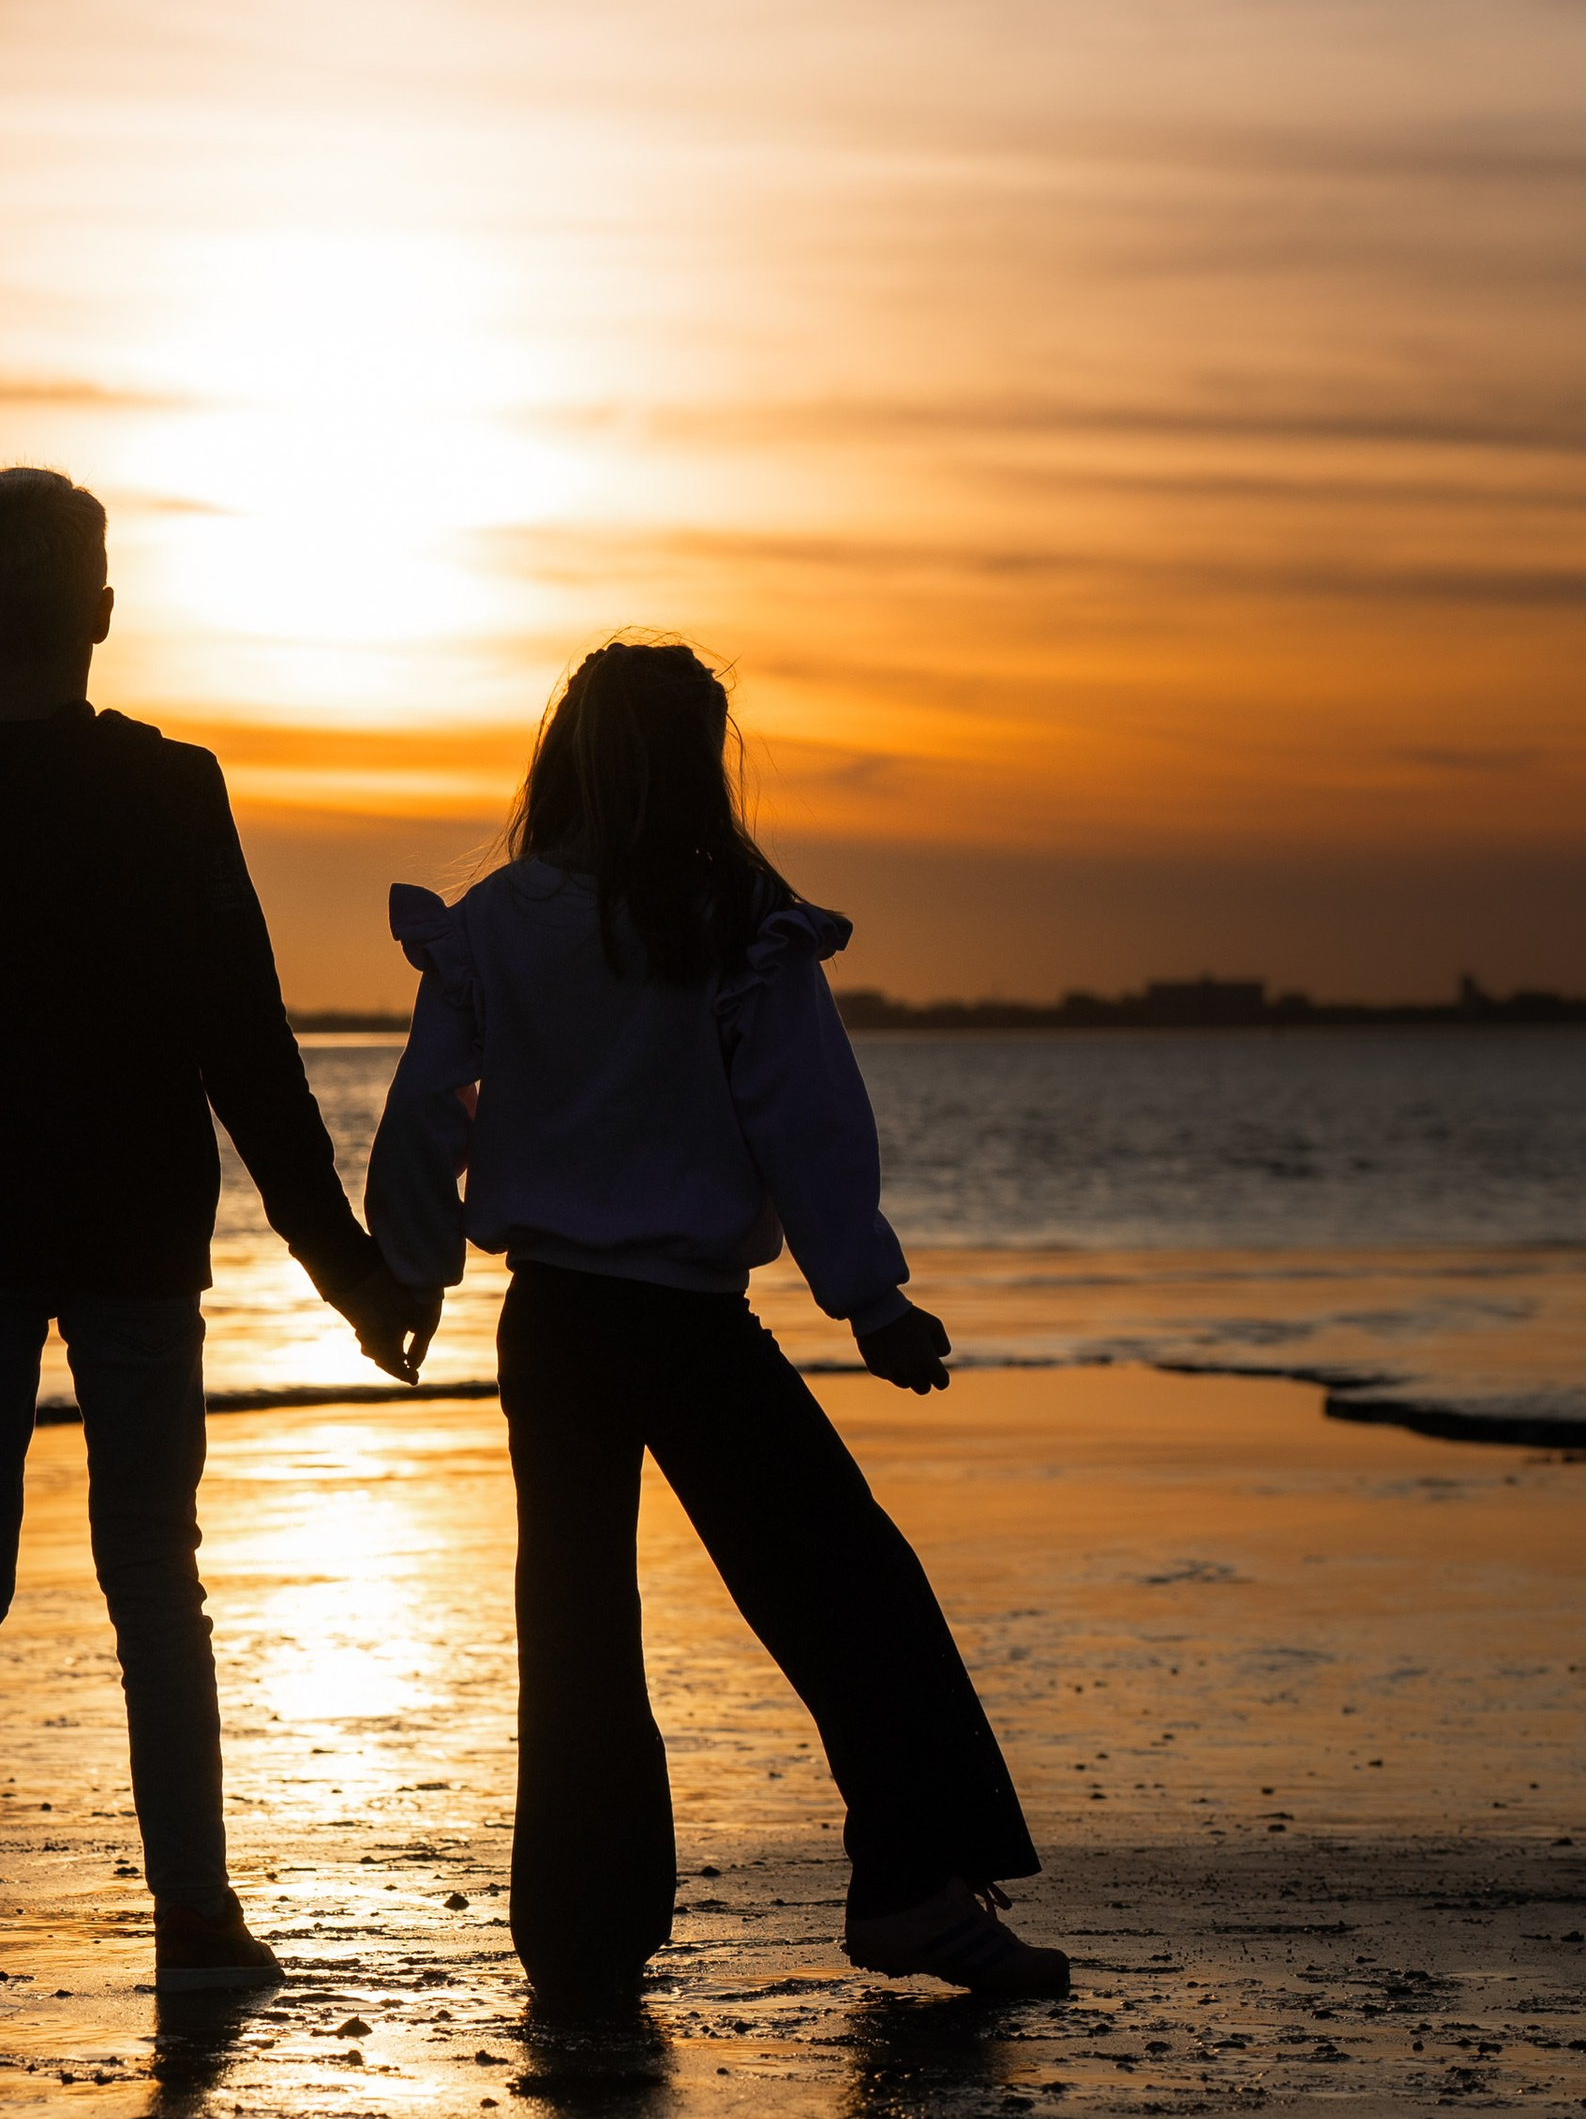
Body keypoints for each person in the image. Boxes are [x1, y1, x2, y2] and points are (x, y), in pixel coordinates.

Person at [364, 637, 1066, 2011]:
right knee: (844, 1588)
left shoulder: (505, 918)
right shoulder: (733, 917)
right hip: (680, 1324)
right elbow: (806, 1122)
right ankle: (910, 1887)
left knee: (577, 1622)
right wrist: (868, 1296)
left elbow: (422, 1119)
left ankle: (585, 1941)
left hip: (558, 1326)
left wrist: (414, 1275)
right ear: (703, 760)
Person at [0, 466, 437, 2003]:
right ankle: (193, 1920)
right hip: (125, 1243)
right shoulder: (169, 794)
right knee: (153, 1585)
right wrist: (348, 1271)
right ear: (102, 614)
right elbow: (247, 1046)